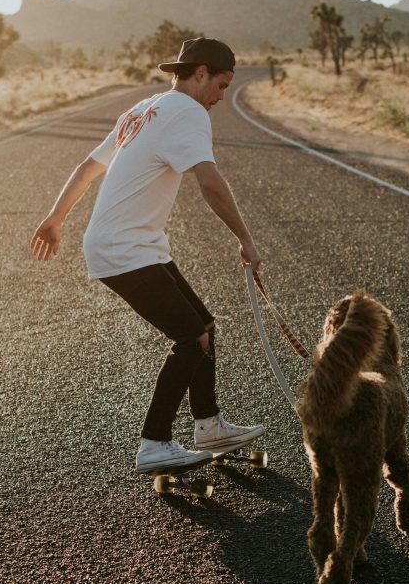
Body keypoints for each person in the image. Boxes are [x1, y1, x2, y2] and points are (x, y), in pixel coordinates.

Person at [30, 37, 264, 472]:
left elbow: (89, 166)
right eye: (222, 84)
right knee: (190, 338)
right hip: (126, 249)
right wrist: (245, 239)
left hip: (135, 245)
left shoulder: (144, 108)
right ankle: (154, 442)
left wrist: (56, 217)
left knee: (204, 328)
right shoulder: (190, 112)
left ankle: (209, 424)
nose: (221, 96)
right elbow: (209, 181)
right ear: (200, 74)